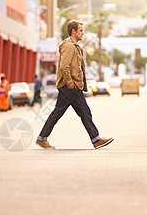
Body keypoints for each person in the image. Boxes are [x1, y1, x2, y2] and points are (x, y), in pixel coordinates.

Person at [35, 20, 114, 150]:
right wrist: (71, 84)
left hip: (73, 87)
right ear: (74, 31)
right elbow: (64, 67)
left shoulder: (74, 46)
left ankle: (96, 140)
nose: (83, 33)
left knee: (83, 112)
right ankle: (42, 138)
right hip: (69, 87)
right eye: (81, 31)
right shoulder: (69, 46)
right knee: (62, 112)